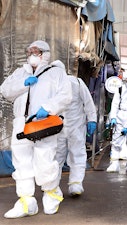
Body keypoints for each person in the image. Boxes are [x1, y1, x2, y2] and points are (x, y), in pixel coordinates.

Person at [0, 40, 72, 218]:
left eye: (36, 51)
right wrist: (23, 83)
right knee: (21, 162)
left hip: (43, 123)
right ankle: (26, 203)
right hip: (21, 123)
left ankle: (52, 195)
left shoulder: (56, 73)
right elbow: (5, 90)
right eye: (29, 51)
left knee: (44, 160)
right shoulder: (20, 72)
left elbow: (65, 95)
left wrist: (47, 108)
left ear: (45, 54)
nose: (32, 54)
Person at [55, 69, 97, 197]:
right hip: (58, 126)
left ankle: (75, 183)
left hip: (75, 126)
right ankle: (53, 184)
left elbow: (88, 102)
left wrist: (92, 120)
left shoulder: (77, 83)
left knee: (74, 154)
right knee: (57, 156)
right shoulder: (53, 84)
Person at [107, 69, 127, 172]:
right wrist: (113, 117)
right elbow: (115, 104)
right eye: (125, 80)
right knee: (116, 140)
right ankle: (114, 163)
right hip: (121, 116)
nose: (126, 82)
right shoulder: (120, 89)